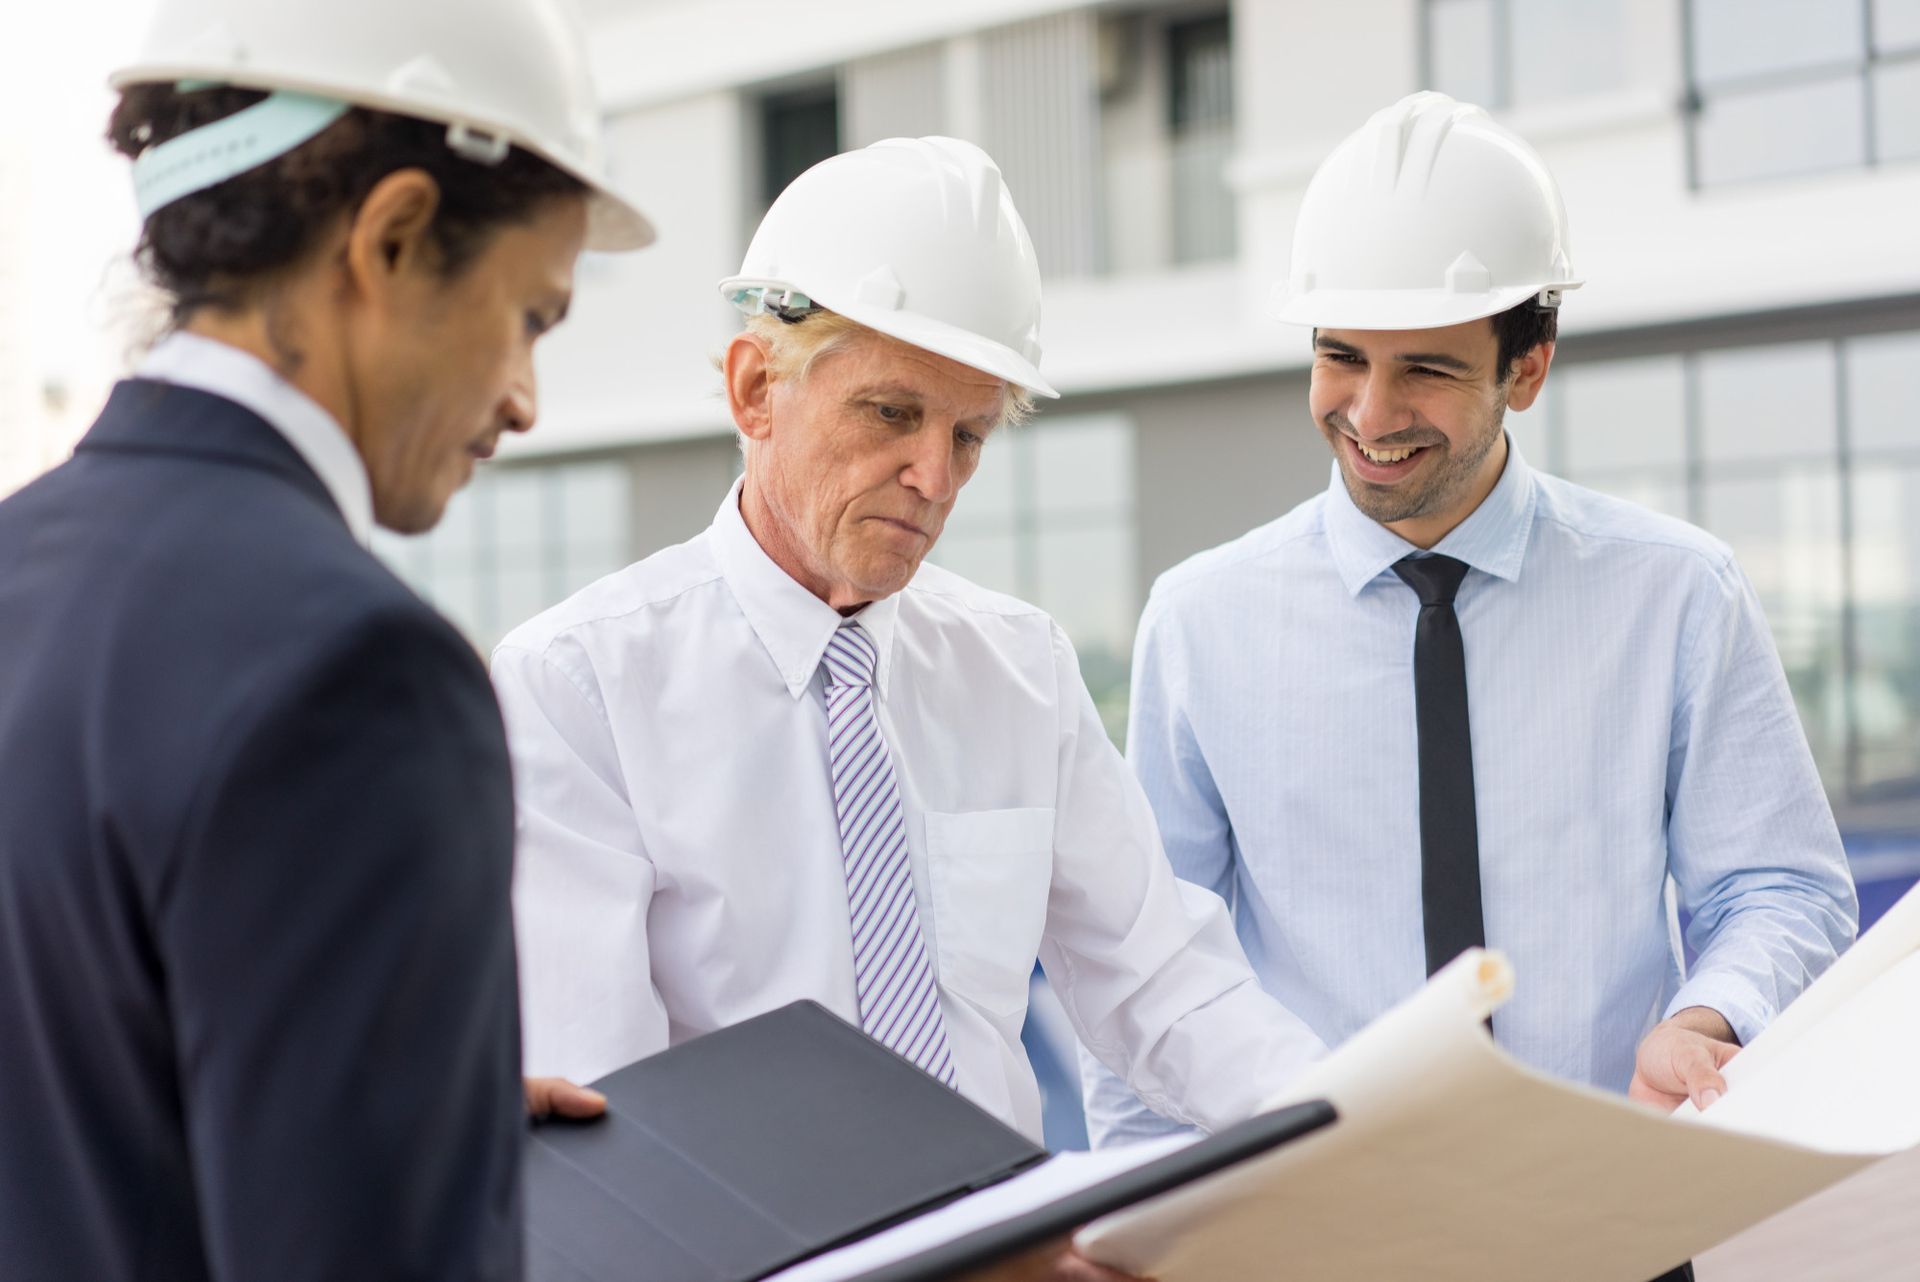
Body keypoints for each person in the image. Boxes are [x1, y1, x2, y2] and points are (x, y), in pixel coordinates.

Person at [495, 136, 1325, 1150]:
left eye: (969, 435)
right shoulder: (580, 686)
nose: (935, 476)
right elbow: (603, 1109)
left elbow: (1161, 984)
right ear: (756, 388)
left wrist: (1359, 1123)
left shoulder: (1020, 668)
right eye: (891, 414)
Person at [0, 2, 651, 1279]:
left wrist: (382, 1087)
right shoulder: (359, 674)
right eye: (530, 316)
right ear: (395, 237)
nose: (523, 400)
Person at [1080, 90, 1856, 1153]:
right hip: (1321, 1225)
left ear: (1527, 367)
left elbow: (1780, 884)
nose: (1369, 412)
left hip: (1609, 1209)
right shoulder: (1202, 621)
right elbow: (1149, 969)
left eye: (1427, 369)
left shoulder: (1675, 594)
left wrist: (1705, 1014)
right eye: (1341, 355)